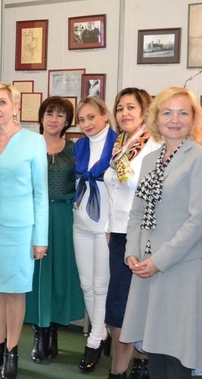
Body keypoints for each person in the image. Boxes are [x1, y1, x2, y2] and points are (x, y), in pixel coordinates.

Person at [120, 87, 202, 379]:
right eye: (167, 112)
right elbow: (137, 213)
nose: (174, 119)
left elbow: (198, 221)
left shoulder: (201, 160)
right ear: (156, 118)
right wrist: (131, 252)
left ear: (193, 120)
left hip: (181, 271)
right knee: (155, 354)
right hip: (147, 269)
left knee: (178, 357)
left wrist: (158, 261)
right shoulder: (150, 160)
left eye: (182, 113)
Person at [0, 83, 48, 379]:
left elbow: (40, 193)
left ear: (16, 107)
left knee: (15, 290)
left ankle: (13, 350)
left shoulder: (34, 141)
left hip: (21, 229)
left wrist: (40, 238)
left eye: (2, 102)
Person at [103, 88, 159, 379]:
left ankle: (137, 365)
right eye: (120, 108)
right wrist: (108, 228)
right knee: (118, 304)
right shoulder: (121, 144)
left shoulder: (154, 143)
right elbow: (115, 189)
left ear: (145, 110)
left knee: (134, 304)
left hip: (142, 235)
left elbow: (146, 189)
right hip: (119, 234)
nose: (124, 113)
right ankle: (126, 368)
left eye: (131, 107)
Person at [24, 97, 84, 364]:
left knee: (60, 274)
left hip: (63, 218)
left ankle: (53, 331)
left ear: (67, 121)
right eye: (49, 113)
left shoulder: (75, 149)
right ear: (41, 117)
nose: (54, 119)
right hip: (33, 217)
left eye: (60, 115)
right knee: (36, 274)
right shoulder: (28, 146)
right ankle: (39, 332)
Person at [72, 96, 116, 373]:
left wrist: (112, 226)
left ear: (105, 115)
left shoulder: (119, 144)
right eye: (81, 119)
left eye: (91, 117)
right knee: (86, 284)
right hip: (80, 224)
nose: (87, 123)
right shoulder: (79, 146)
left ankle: (94, 340)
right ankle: (101, 333)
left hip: (105, 227)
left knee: (101, 286)